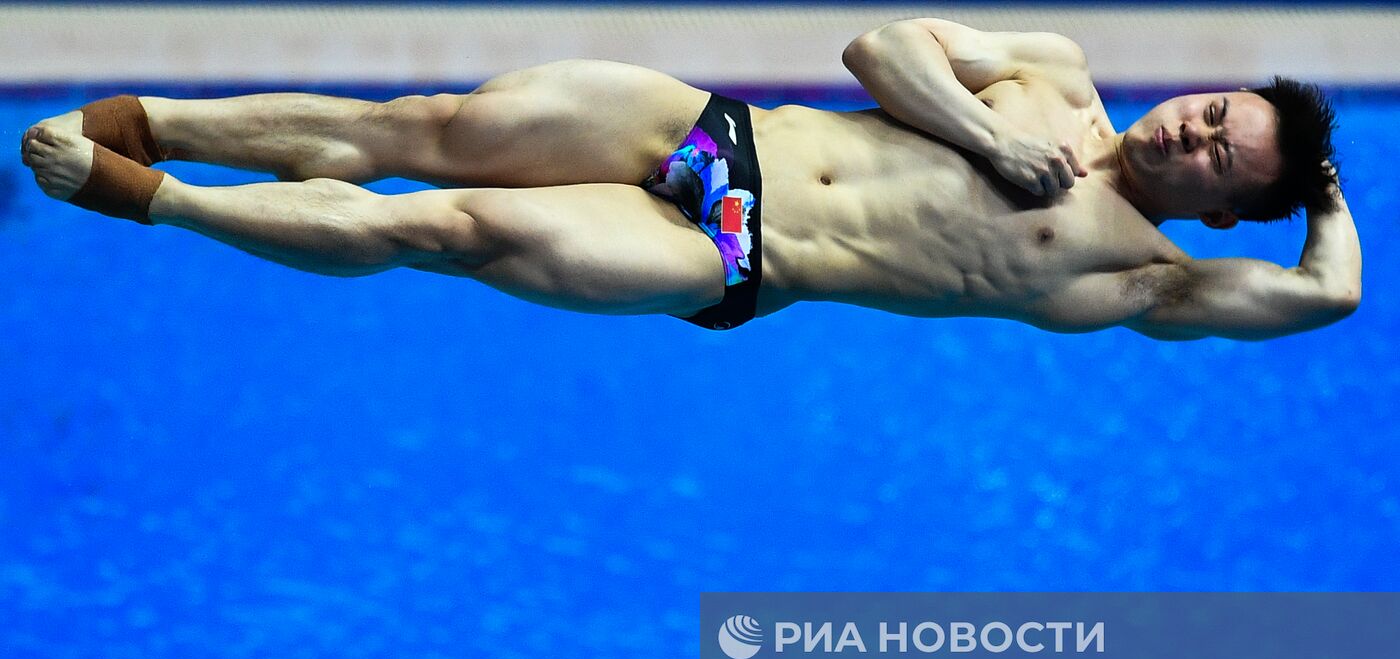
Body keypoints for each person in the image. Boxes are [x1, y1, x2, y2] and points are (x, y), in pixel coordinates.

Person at [20, 18, 1361, 340]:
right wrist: (992, 140)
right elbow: (881, 44)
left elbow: (1330, 300)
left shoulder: (1145, 277)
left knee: (445, 225)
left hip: (736, 257)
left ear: (1230, 205)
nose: (1190, 131)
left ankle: (157, 198)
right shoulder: (1053, 78)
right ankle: (165, 120)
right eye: (1213, 112)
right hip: (715, 132)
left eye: (1217, 156)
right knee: (424, 124)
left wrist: (1327, 187)